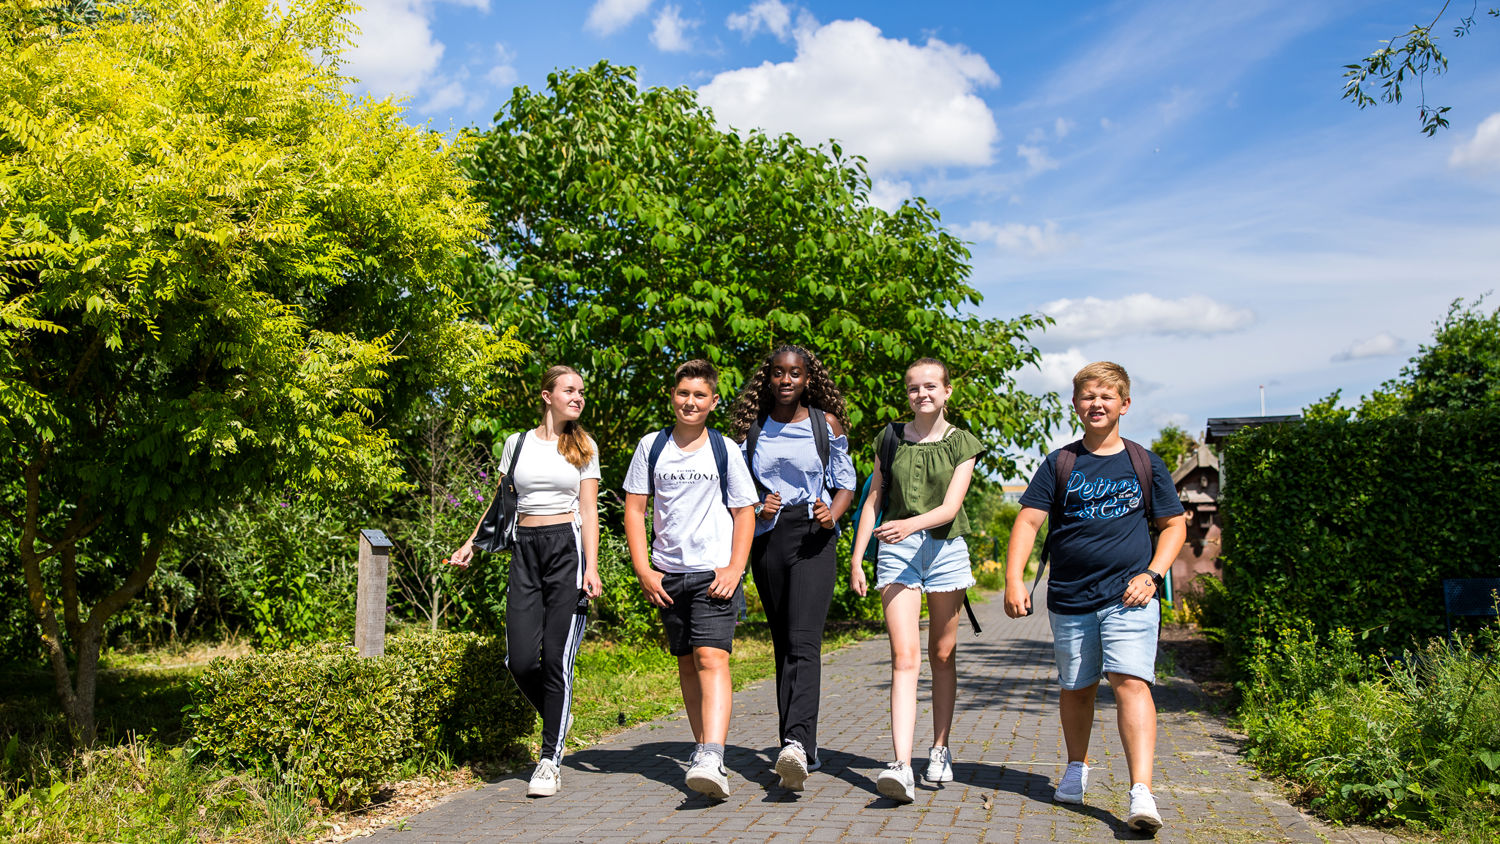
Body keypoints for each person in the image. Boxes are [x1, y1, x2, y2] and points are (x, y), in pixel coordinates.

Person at [1003, 361, 1187, 835]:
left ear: (1125, 404)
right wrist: (1014, 579)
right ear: (1076, 404)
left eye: (1107, 396)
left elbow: (1173, 525)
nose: (1097, 404)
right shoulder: (1060, 462)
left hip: (1131, 595)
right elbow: (1027, 522)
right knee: (1078, 687)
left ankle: (1140, 791)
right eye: (1088, 396)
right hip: (1070, 596)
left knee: (1131, 682)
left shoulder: (1145, 463)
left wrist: (1152, 573)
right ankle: (1076, 766)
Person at [447, 365, 603, 798]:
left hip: (566, 550)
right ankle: (557, 713)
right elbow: (501, 501)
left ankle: (550, 759)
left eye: (581, 392)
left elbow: (588, 511)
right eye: (569, 390)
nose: (578, 397)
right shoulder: (516, 443)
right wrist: (471, 543)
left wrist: (591, 567)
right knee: (519, 660)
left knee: (556, 659)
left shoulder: (584, 445)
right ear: (547, 395)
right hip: (524, 549)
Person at [850, 357, 985, 803]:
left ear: (947, 392)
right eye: (913, 388)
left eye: (930, 386)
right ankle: (901, 765)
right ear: (906, 394)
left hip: (946, 549)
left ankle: (940, 748)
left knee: (942, 654)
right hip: (896, 551)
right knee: (904, 658)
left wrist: (909, 525)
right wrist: (857, 558)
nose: (922, 394)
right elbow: (873, 500)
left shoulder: (963, 442)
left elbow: (949, 508)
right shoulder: (889, 438)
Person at [623, 359, 758, 800]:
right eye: (684, 394)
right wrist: (644, 569)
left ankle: (712, 755)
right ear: (673, 396)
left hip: (714, 573)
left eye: (700, 395)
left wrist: (735, 569)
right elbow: (636, 510)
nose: (690, 402)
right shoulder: (651, 446)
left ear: (713, 402)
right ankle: (703, 750)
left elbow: (744, 512)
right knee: (686, 662)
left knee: (711, 658)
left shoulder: (724, 449)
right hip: (667, 575)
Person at [728, 345, 857, 791]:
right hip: (768, 537)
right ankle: (803, 744)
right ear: (769, 379)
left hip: (813, 535)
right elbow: (738, 486)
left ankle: (795, 745)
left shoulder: (826, 424)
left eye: (795, 373)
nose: (786, 380)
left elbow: (847, 482)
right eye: (779, 373)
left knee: (804, 640)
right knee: (784, 641)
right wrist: (758, 505)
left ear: (807, 378)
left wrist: (833, 513)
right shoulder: (752, 429)